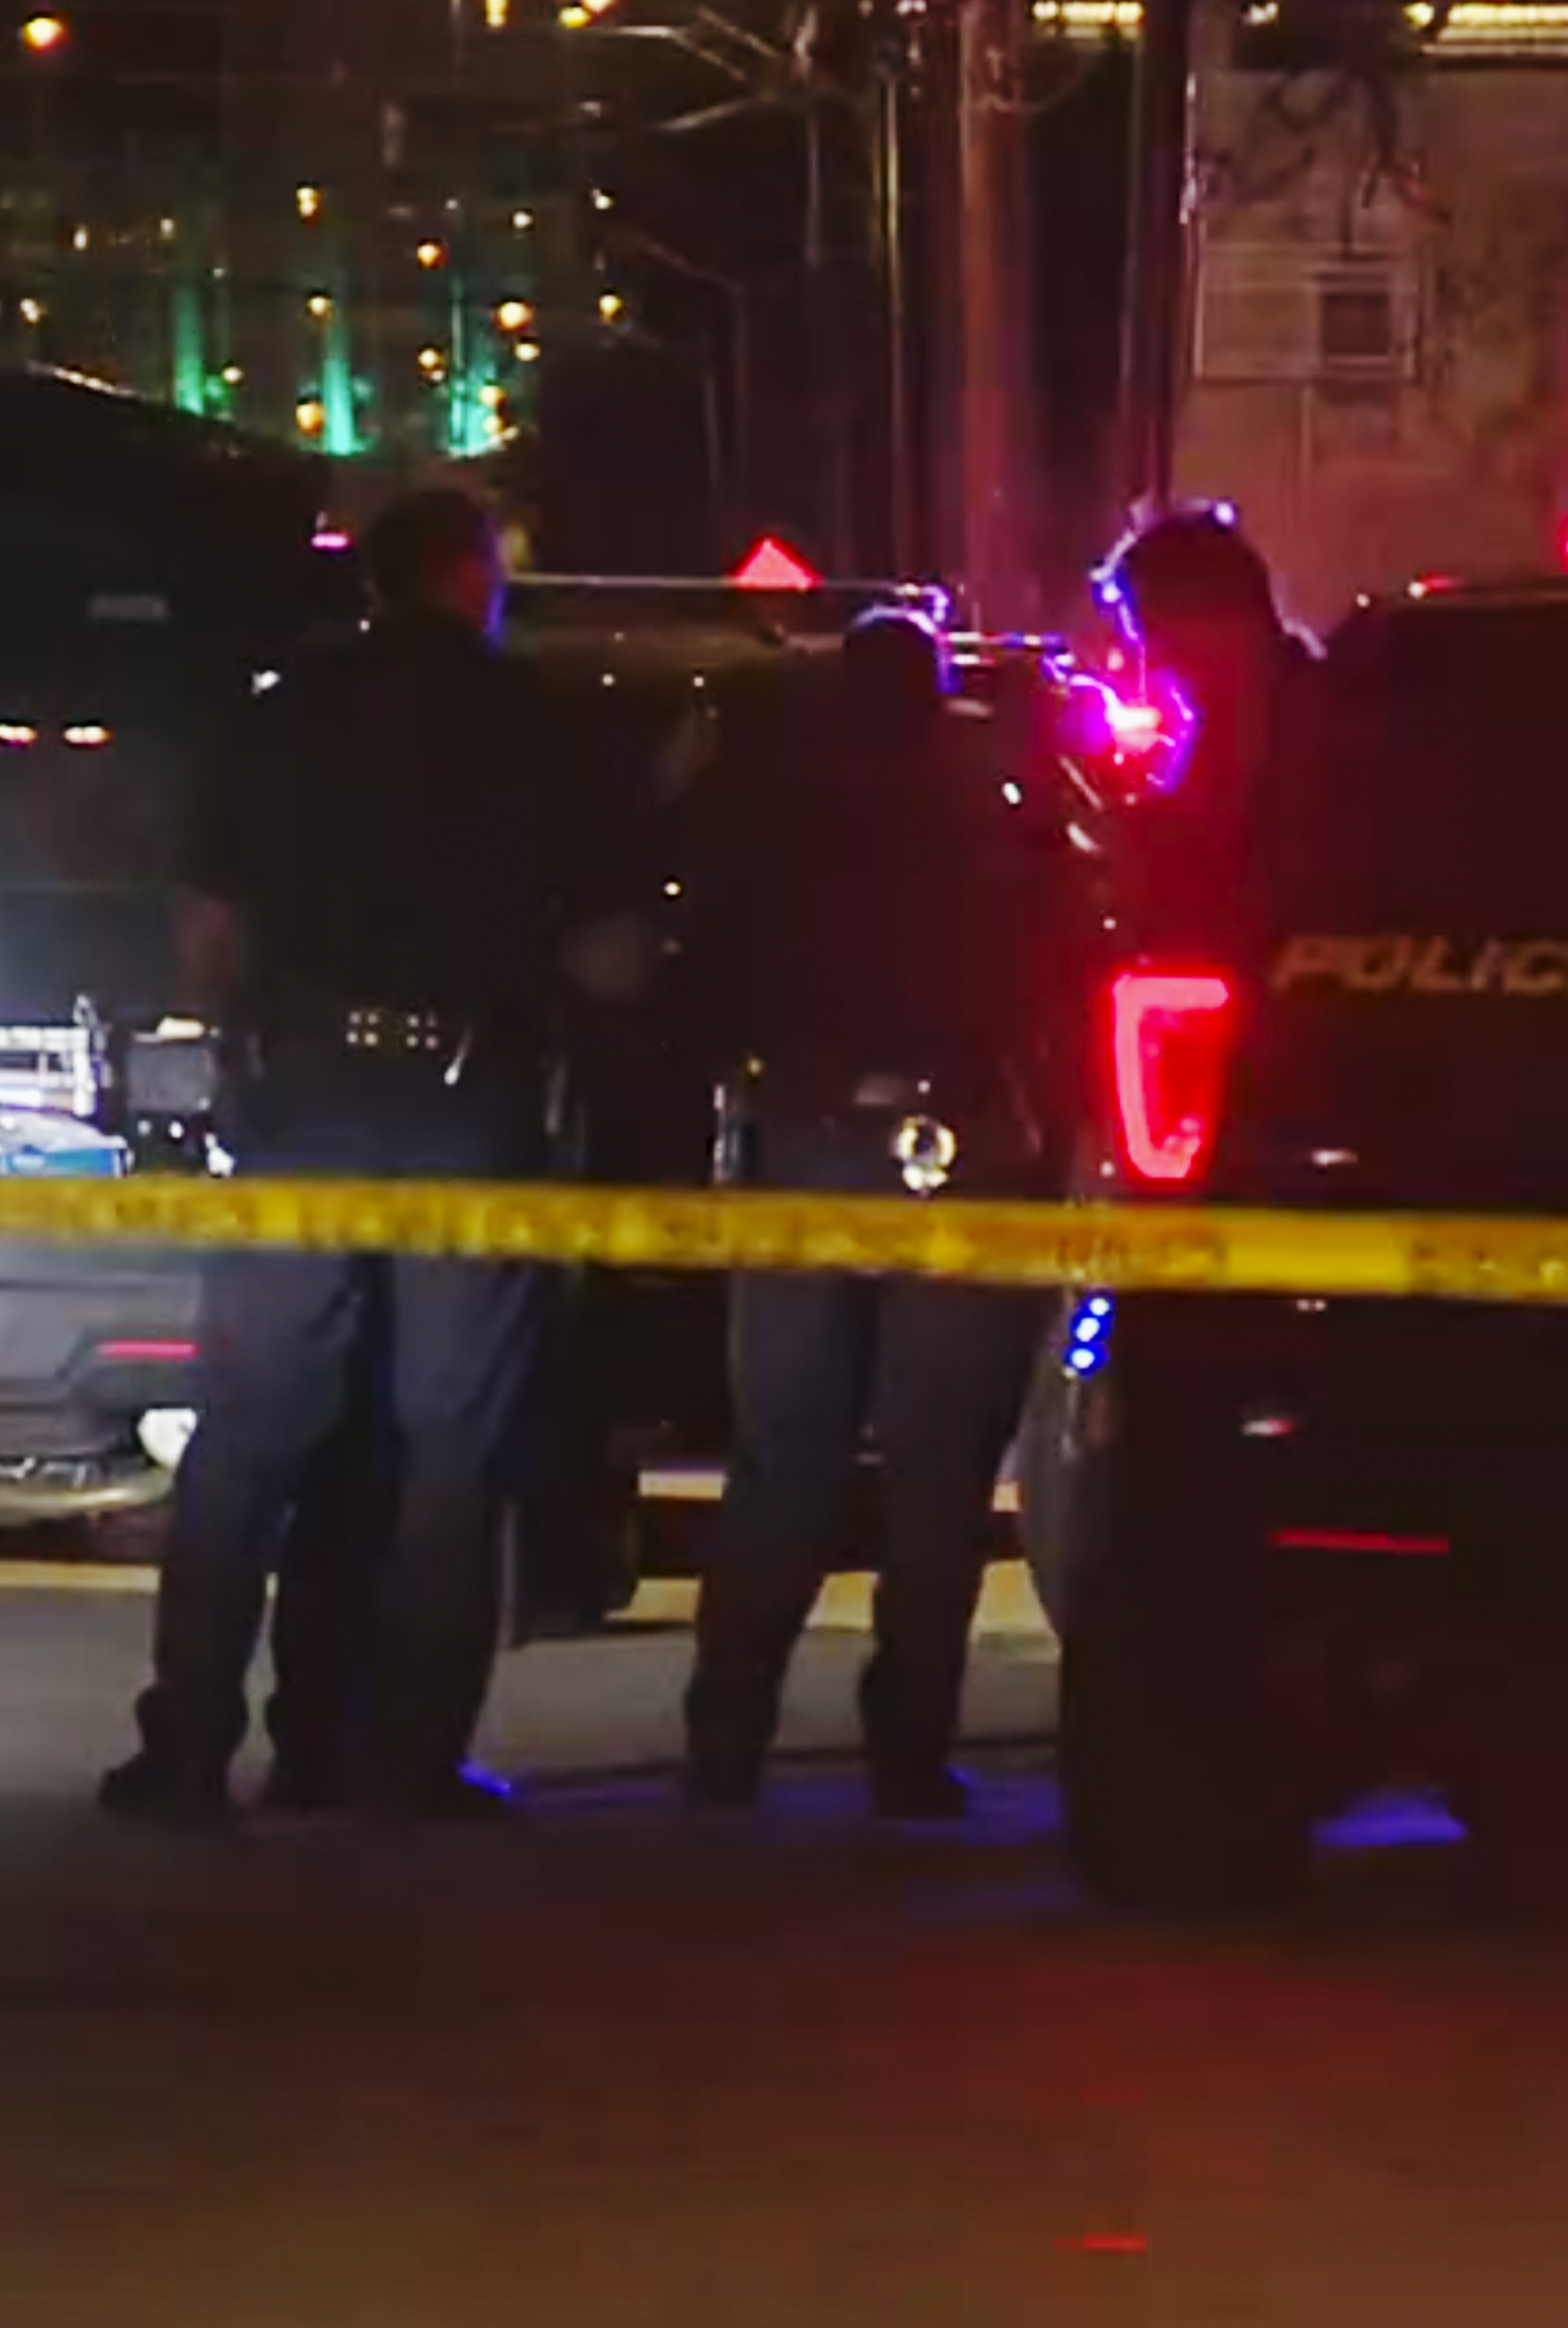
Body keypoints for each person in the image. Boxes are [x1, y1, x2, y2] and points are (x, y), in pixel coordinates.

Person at [104, 490, 649, 1827]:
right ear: (473, 579)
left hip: (303, 1095)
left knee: (247, 1436)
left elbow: (207, 937)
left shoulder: (282, 716)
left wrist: (254, 1047)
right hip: (469, 1100)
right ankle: (408, 1757)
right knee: (450, 1445)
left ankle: (187, 1746)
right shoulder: (542, 725)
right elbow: (612, 956)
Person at [680, 610, 1086, 1817]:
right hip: (956, 1144)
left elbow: (707, 965)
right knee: (937, 1470)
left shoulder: (775, 814)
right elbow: (1061, 959)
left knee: (783, 1460)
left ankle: (726, 1741)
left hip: (801, 1139)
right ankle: (907, 1753)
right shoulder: (993, 811)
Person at [1087, 501, 1312, 951]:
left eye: (1152, 629)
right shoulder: (1232, 720)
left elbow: (1212, 858)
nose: (1153, 659)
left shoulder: (1298, 728)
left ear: (1213, 617)